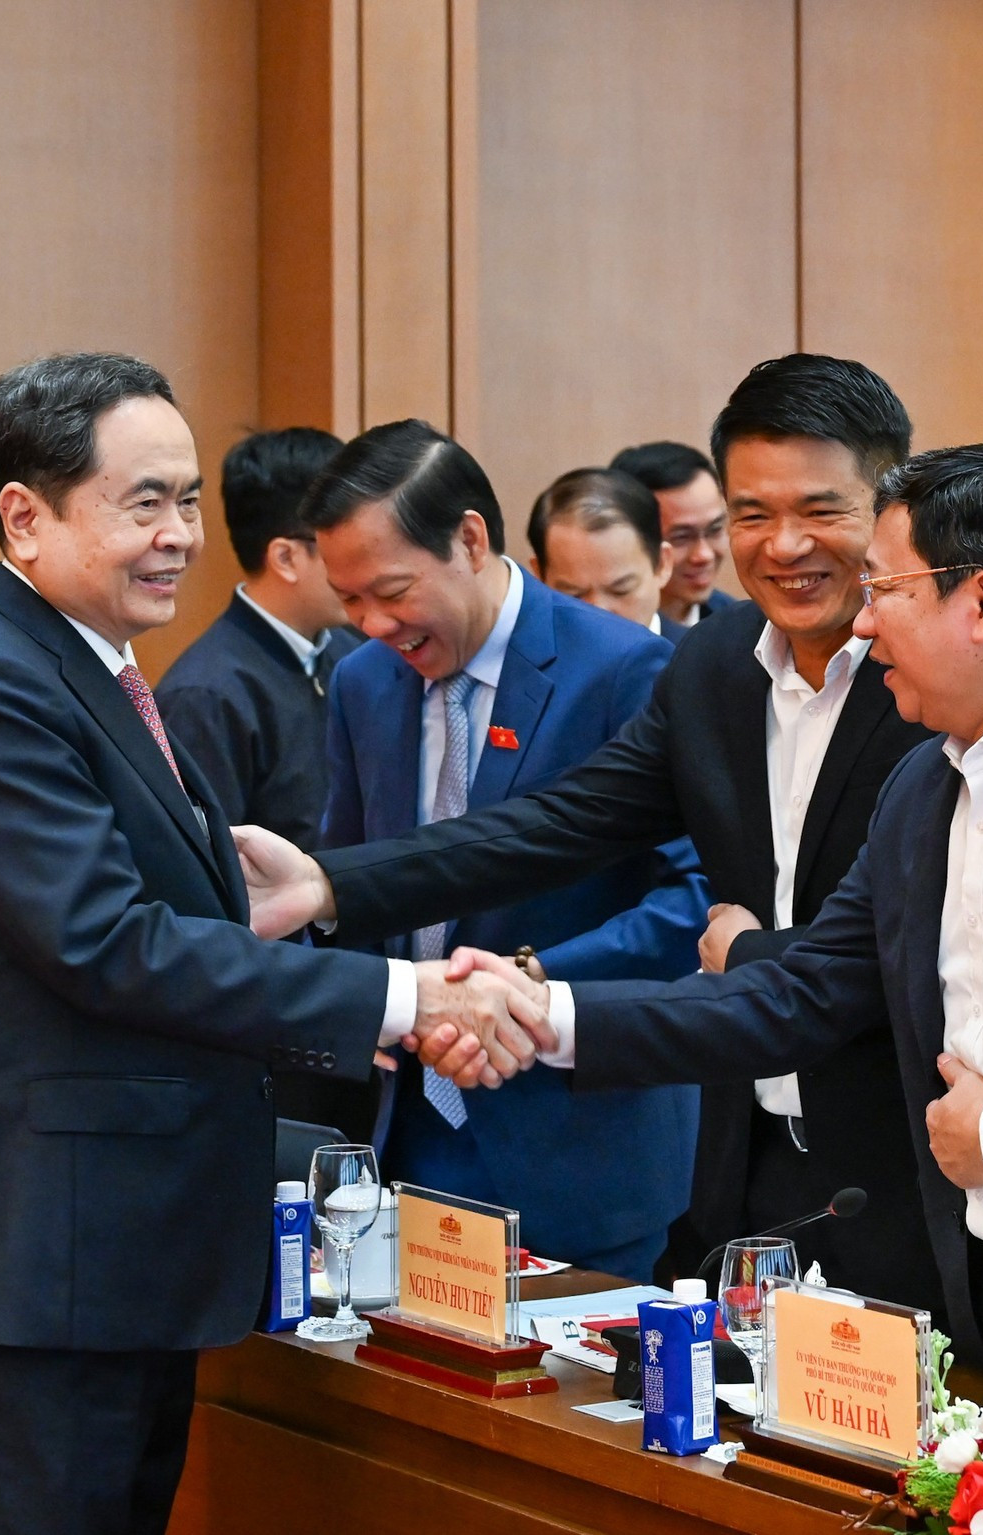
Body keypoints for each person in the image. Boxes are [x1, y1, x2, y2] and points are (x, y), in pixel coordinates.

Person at [407, 434, 983, 1373]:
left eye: (886, 590)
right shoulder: (920, 789)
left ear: (979, 602)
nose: (861, 625)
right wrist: (543, 1013)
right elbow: (798, 991)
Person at [0, 353, 530, 1535]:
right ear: (23, 514)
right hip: (39, 1259)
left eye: (184, 500)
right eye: (143, 504)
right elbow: (108, 944)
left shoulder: (86, 663)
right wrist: (394, 991)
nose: (178, 534)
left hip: (110, 1251)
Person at [238, 355, 942, 1313]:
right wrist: (326, 888)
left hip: (915, 1151)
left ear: (890, 505)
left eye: (820, 510)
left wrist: (735, 955)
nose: (783, 545)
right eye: (750, 515)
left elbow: (887, 939)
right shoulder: (715, 672)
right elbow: (556, 824)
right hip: (753, 1164)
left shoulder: (934, 687)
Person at [295, 419, 709, 1281]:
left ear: (471, 540)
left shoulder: (628, 669)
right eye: (349, 601)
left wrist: (521, 989)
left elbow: (686, 902)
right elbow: (351, 875)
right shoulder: (363, 682)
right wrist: (361, 1001)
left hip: (575, 1135)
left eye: (392, 590)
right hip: (407, 1128)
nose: (373, 624)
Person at [156, 427, 360, 847]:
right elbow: (206, 873)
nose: (366, 565)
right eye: (346, 544)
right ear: (285, 557)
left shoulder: (353, 650)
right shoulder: (206, 697)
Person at [525, 466, 683, 639]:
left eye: (620, 590)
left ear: (662, 564)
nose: (599, 613)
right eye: (574, 596)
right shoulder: (515, 662)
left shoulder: (704, 661)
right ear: (539, 576)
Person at [610, 440, 735, 625]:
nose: (704, 555)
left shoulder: (738, 626)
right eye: (681, 537)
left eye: (714, 530)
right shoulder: (605, 626)